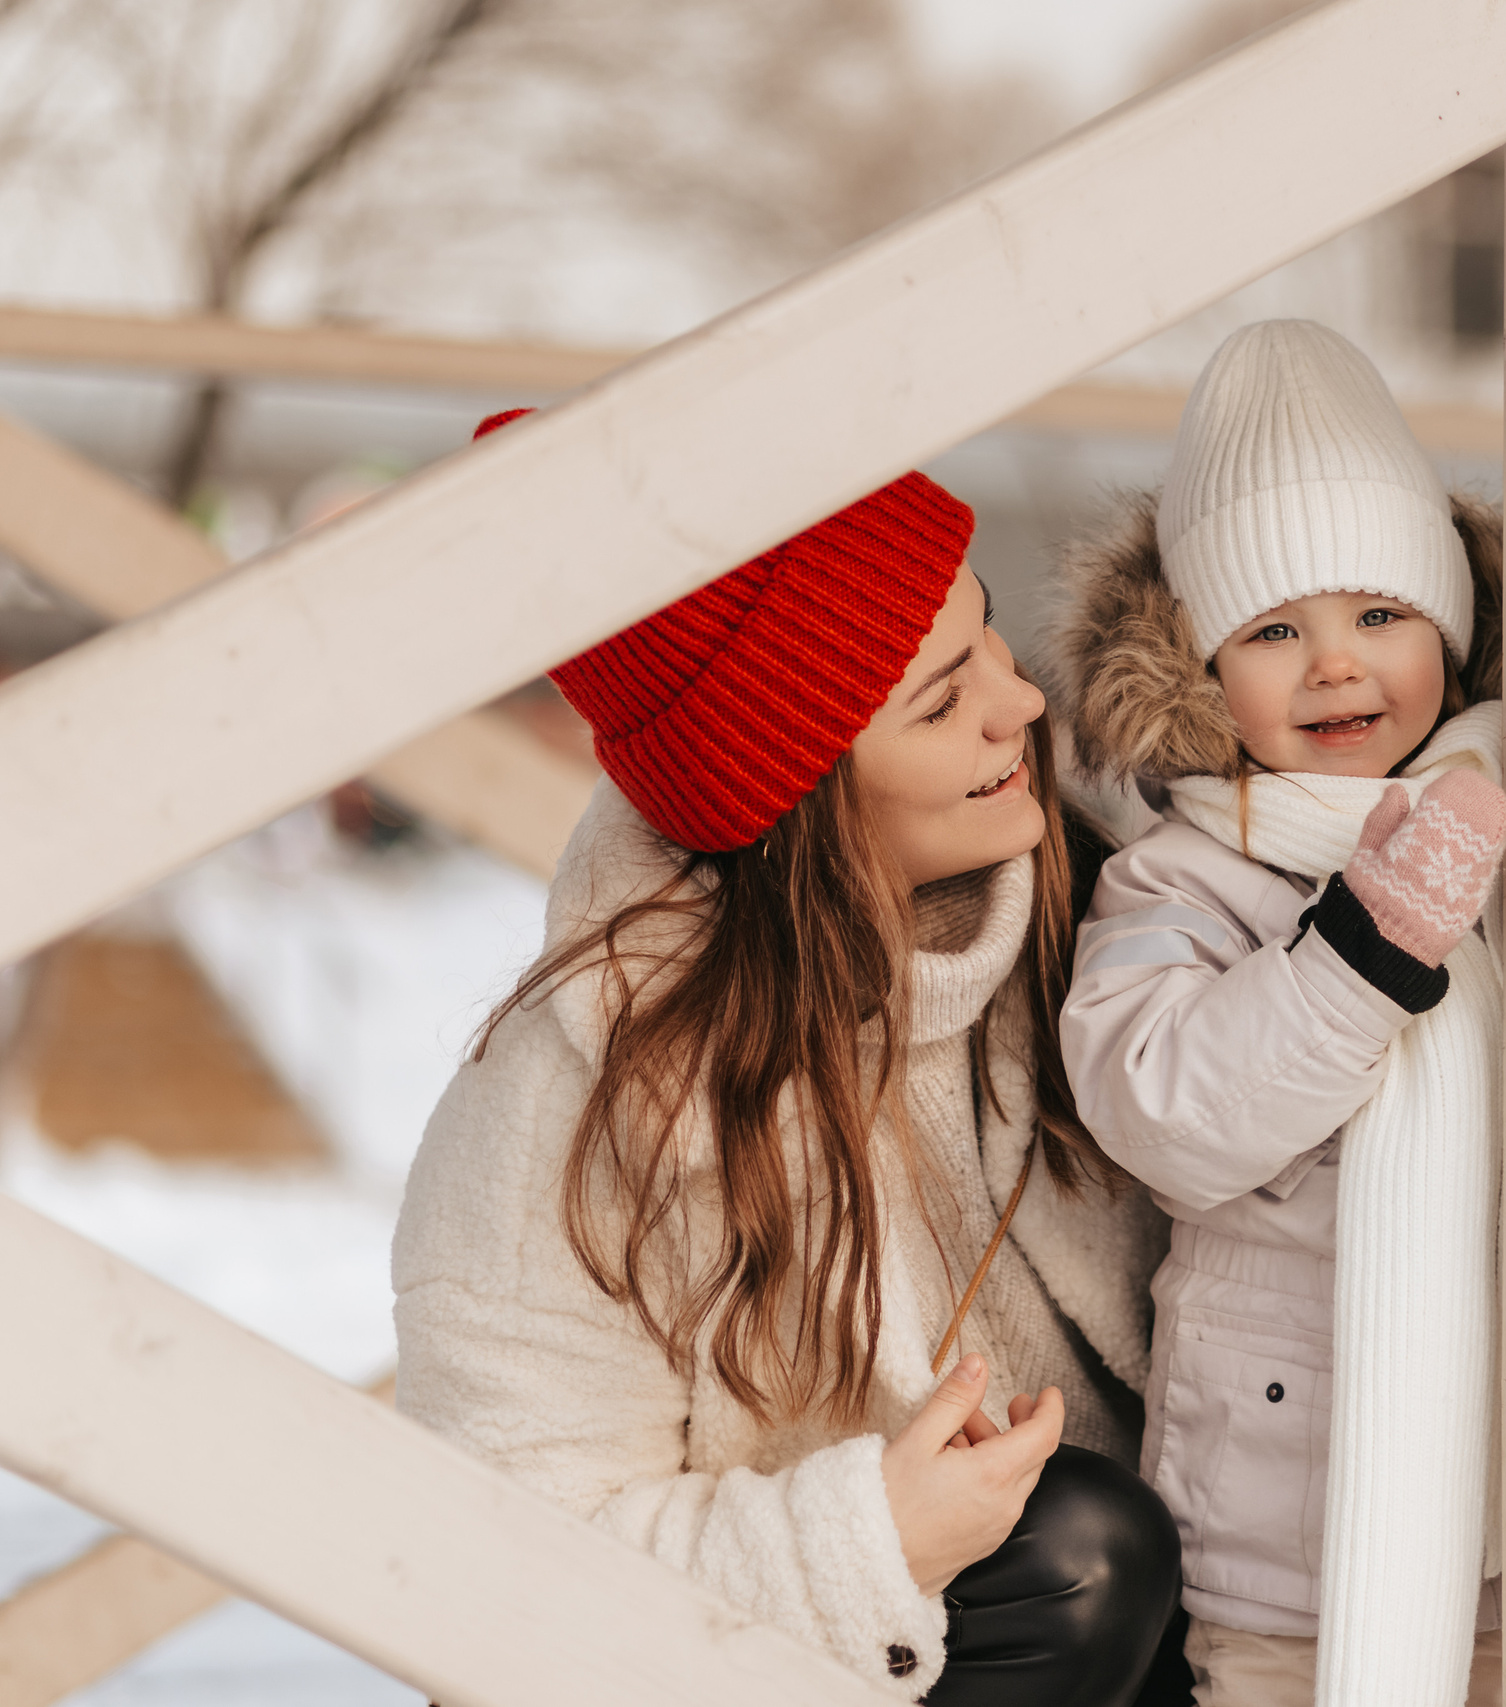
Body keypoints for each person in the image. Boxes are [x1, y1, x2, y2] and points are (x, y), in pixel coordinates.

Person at [393, 412, 1187, 1706]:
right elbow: (491, 1570)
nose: (1021, 700)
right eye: (944, 699)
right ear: (802, 794)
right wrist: (870, 1544)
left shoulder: (1112, 916)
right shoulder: (579, 1089)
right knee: (1078, 1548)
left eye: (986, 630)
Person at [1047, 320, 1506, 1707]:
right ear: (1194, 663)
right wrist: (1362, 951)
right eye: (1273, 630)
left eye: (1380, 613)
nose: (1336, 668)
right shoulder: (1182, 874)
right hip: (1286, 1522)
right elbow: (1169, 1112)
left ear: (1454, 622)